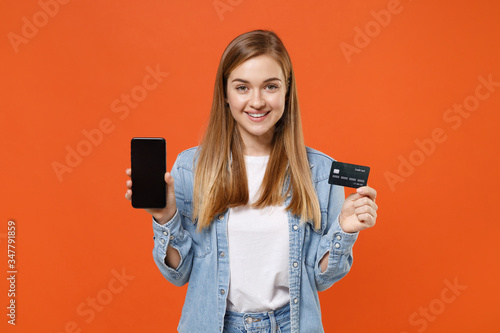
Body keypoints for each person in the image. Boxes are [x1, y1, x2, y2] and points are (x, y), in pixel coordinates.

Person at [125, 29, 378, 333]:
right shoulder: (191, 168)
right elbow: (179, 274)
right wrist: (165, 217)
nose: (256, 101)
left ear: (287, 91)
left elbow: (320, 279)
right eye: (242, 87)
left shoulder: (320, 172)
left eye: (270, 86)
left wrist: (345, 230)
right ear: (225, 94)